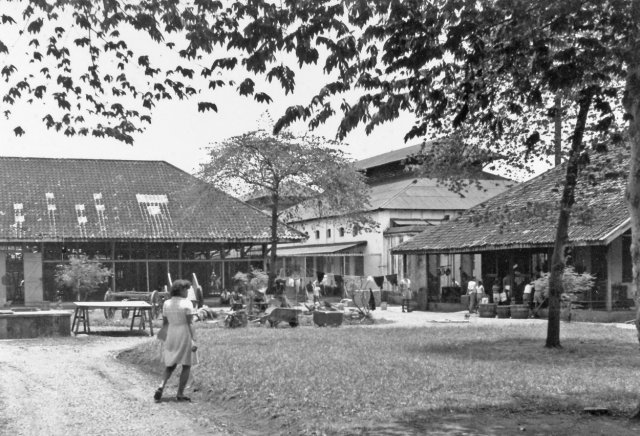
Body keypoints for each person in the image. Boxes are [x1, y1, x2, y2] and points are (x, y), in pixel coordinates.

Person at [154, 279, 198, 403]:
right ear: (181, 290)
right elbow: (190, 323)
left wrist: (163, 336)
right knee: (186, 364)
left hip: (171, 333)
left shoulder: (166, 303)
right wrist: (194, 339)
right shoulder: (187, 303)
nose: (187, 292)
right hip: (184, 334)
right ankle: (180, 393)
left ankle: (161, 385)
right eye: (186, 290)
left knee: (170, 364)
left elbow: (165, 322)